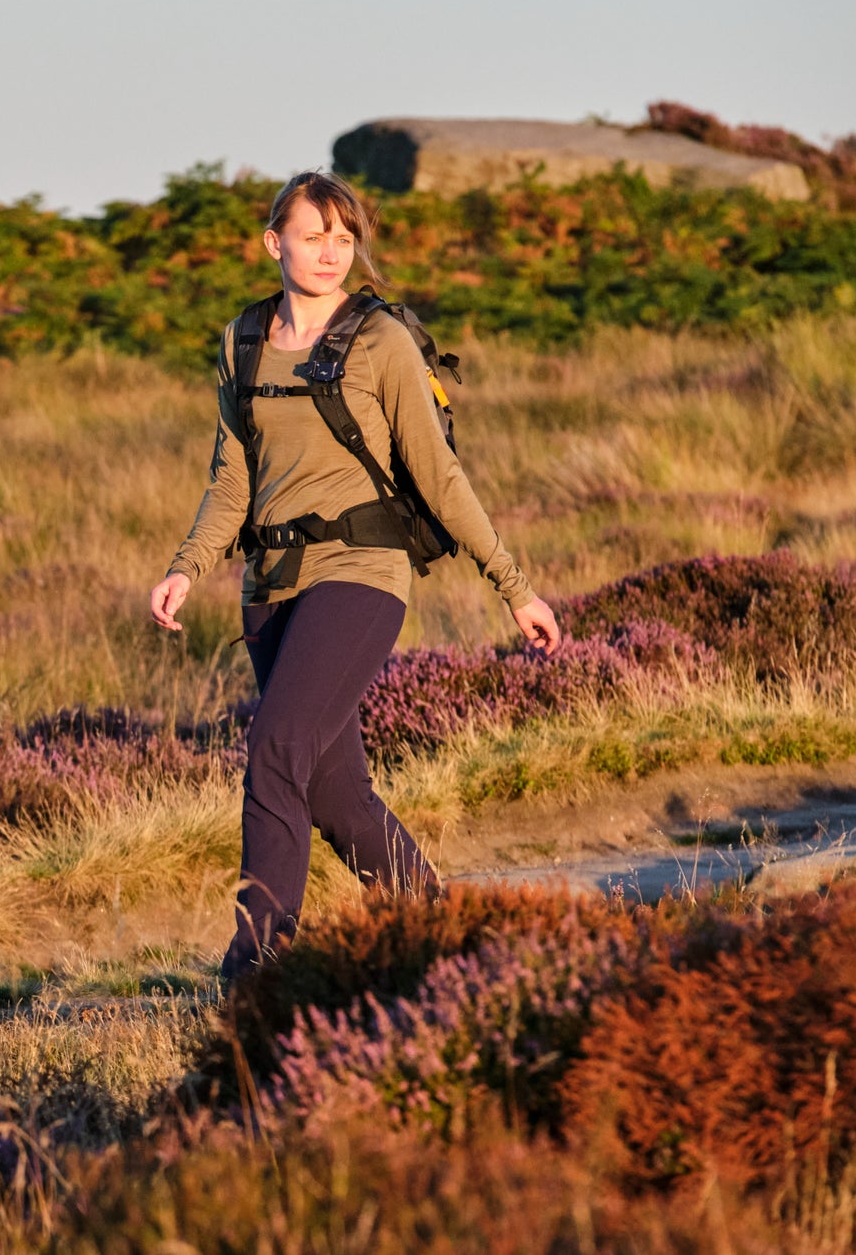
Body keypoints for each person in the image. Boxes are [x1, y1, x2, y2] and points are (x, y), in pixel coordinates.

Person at [148, 170, 562, 981]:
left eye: (345, 237)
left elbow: (440, 477)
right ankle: (454, 940)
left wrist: (514, 587)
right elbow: (232, 479)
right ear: (276, 243)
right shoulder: (241, 342)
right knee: (337, 801)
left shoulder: (381, 342)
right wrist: (186, 566)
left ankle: (258, 971)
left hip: (363, 573)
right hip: (270, 585)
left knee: (275, 746)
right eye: (314, 236)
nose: (332, 252)